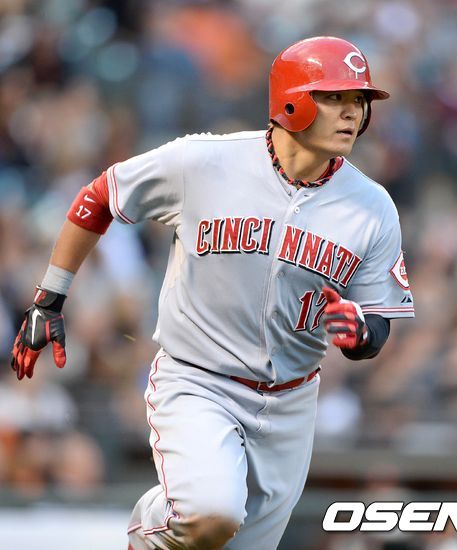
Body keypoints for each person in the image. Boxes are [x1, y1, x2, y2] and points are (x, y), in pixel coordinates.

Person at [10, 36, 414, 550]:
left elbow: (378, 322)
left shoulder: (373, 207)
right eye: (335, 97)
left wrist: (361, 335)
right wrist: (50, 297)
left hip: (291, 402)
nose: (352, 112)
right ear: (292, 101)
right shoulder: (205, 161)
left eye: (359, 100)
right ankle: (149, 525)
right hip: (199, 381)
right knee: (210, 515)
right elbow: (100, 197)